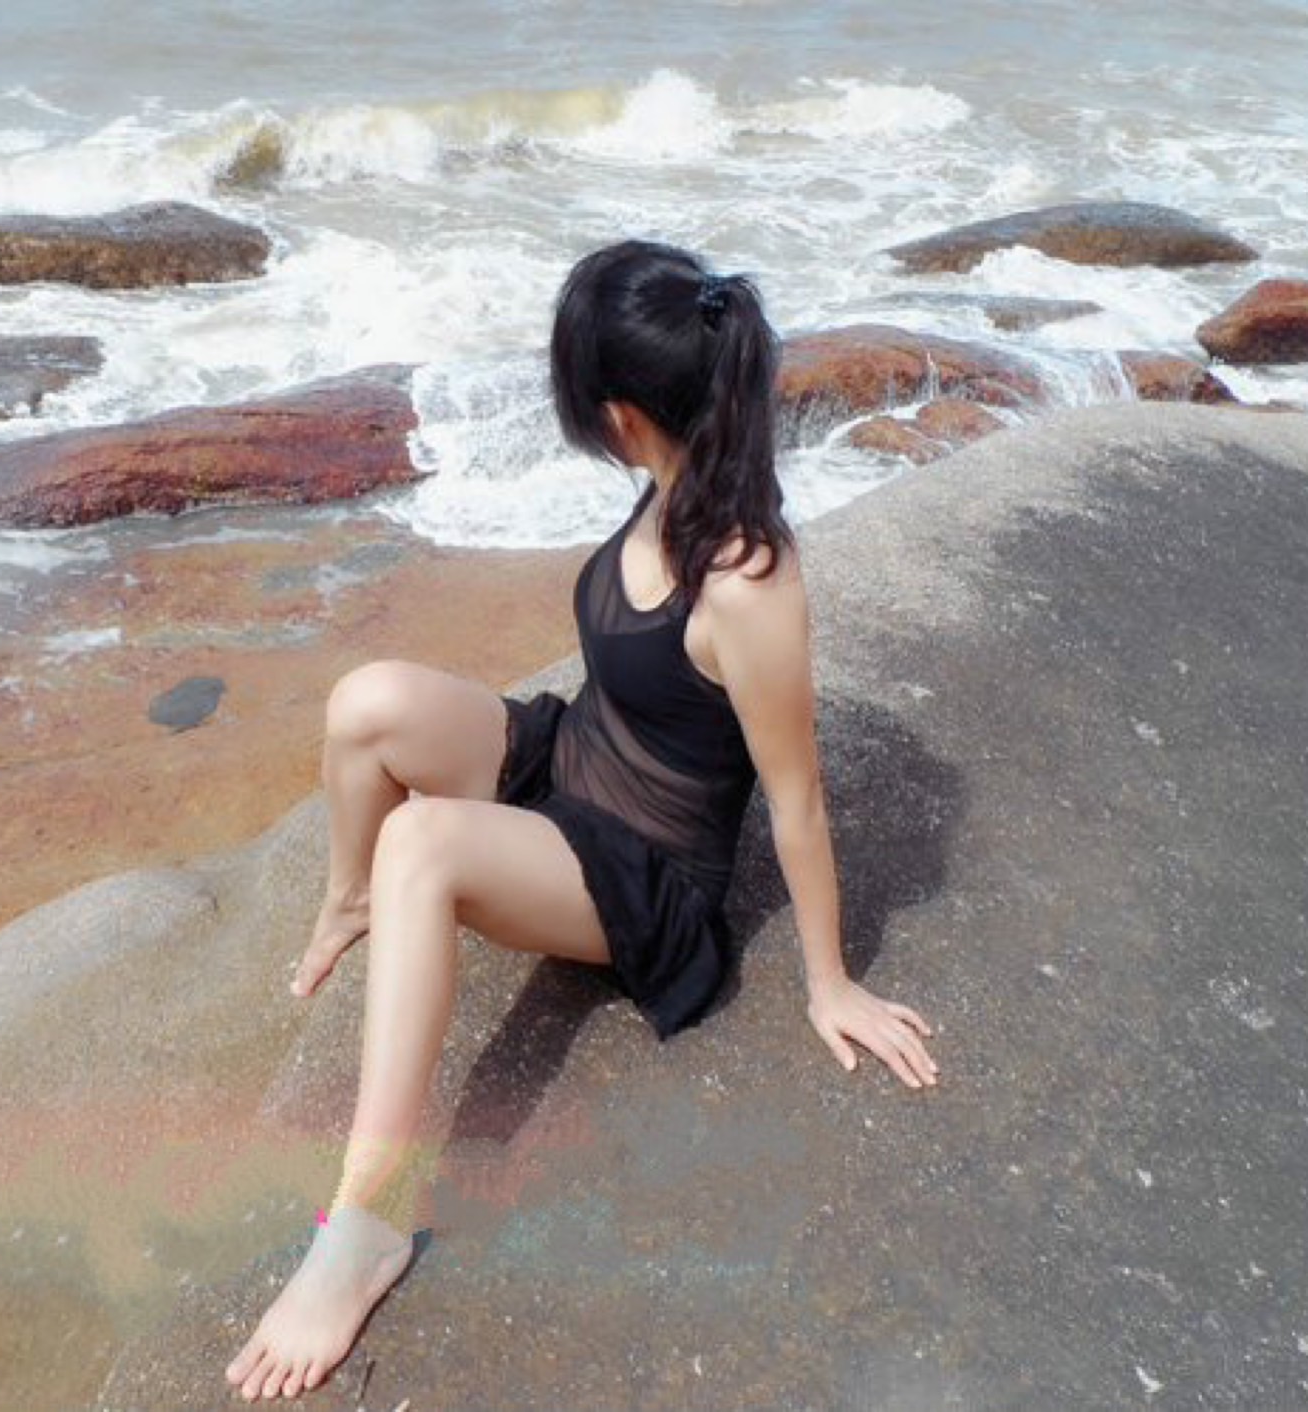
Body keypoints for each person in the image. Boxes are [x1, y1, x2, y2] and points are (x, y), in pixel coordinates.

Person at [225, 239, 938, 1401]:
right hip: (573, 761)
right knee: (365, 705)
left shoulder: (747, 582)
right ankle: (350, 899)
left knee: (423, 842)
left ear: (621, 416)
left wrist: (831, 979)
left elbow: (797, 795)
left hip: (644, 877)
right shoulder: (672, 474)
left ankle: (359, 1221)